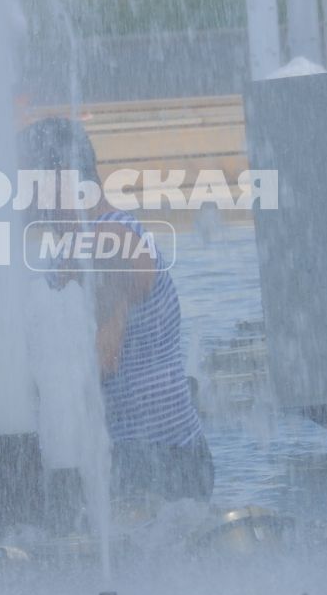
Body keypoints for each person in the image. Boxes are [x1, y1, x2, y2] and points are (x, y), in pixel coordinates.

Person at [18, 117, 212, 504]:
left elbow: (101, 358)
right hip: (144, 457)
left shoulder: (109, 242)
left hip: (153, 466)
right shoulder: (82, 245)